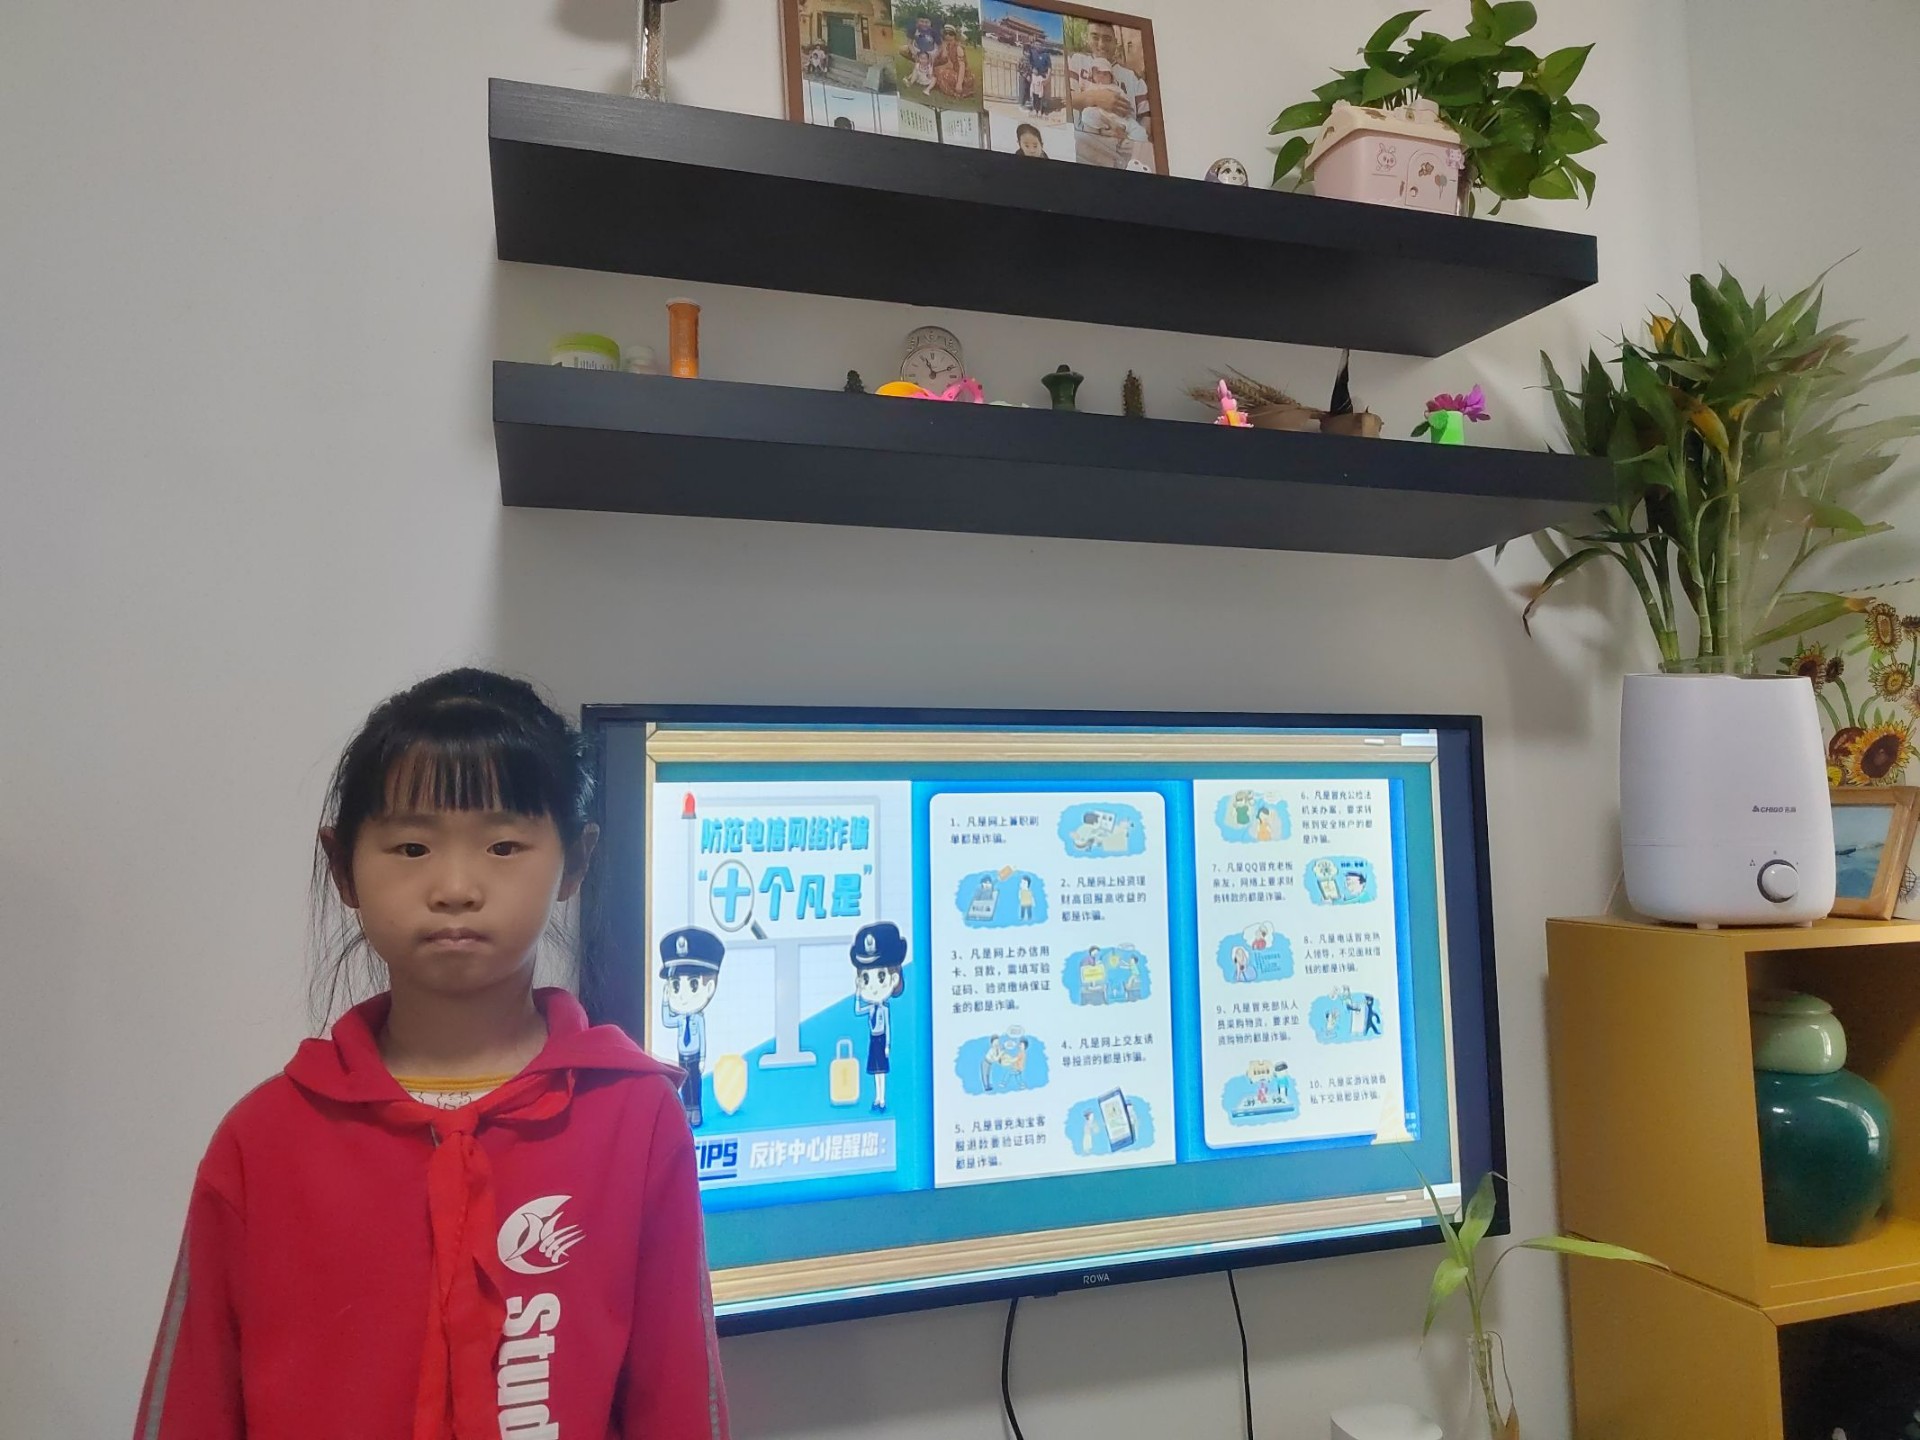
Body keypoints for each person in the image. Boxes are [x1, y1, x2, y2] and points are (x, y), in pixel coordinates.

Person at [135, 668, 728, 1439]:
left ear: (576, 863)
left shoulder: (633, 1117)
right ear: (344, 867)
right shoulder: (263, 1139)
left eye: (503, 845)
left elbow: (678, 1399)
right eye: (411, 847)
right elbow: (192, 1403)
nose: (454, 887)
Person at [659, 925, 725, 1128]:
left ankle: (695, 1112)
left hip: (695, 1057)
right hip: (682, 1056)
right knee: (683, 1084)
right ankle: (683, 1113)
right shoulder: (680, 1019)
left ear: (710, 987)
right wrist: (665, 1001)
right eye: (675, 985)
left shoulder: (698, 1019)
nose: (682, 995)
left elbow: (702, 1039)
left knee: (695, 1085)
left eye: (694, 984)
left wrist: (703, 1059)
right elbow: (667, 1021)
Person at [852, 921, 907, 1112]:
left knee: (882, 1072)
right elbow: (857, 1010)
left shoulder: (884, 1009)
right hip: (873, 1040)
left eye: (881, 977)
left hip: (881, 1040)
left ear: (894, 979)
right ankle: (877, 1098)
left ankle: (882, 1099)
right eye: (866, 979)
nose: (873, 987)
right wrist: (857, 993)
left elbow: (888, 1028)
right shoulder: (870, 1008)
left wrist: (888, 1046)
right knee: (875, 1072)